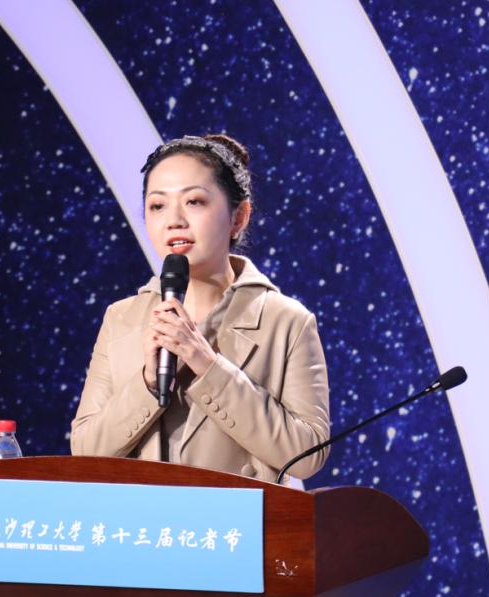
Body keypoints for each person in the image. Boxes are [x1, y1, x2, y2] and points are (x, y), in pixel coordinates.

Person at [70, 134, 330, 483]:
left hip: (241, 516)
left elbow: (307, 456)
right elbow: (85, 450)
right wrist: (147, 382)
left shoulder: (286, 321)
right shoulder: (121, 318)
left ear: (239, 217)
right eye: (157, 205)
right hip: (141, 516)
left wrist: (208, 366)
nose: (174, 220)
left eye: (194, 201)